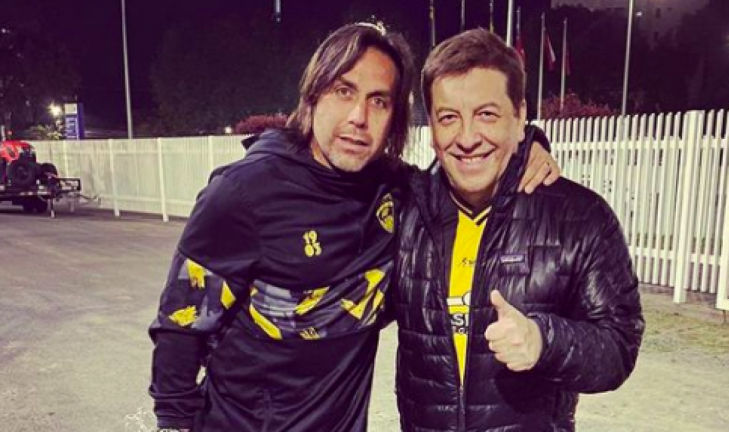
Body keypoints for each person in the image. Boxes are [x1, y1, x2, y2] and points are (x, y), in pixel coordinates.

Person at [148, 23, 558, 432]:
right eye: (343, 91)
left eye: (379, 101)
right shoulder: (243, 193)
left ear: (395, 118)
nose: (359, 117)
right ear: (313, 95)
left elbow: (466, 167)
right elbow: (180, 328)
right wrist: (175, 423)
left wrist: (527, 143)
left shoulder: (396, 189)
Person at [391, 28, 645, 431]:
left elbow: (619, 347)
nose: (467, 138)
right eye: (449, 118)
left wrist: (544, 341)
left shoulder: (580, 216)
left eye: (487, 115)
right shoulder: (405, 211)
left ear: (520, 115)